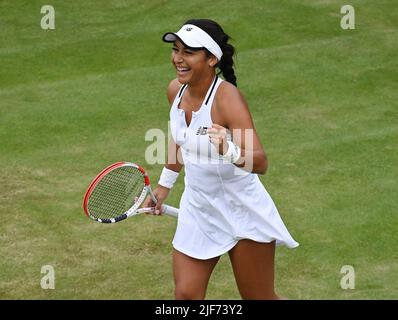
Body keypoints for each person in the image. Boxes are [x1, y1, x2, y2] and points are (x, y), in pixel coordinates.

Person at [143, 19, 299, 300]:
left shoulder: (227, 99)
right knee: (186, 296)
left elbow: (260, 162)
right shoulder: (174, 91)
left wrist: (230, 151)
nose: (178, 58)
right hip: (199, 208)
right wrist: (164, 186)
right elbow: (180, 139)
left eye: (188, 52)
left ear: (212, 58)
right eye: (176, 50)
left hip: (242, 209)